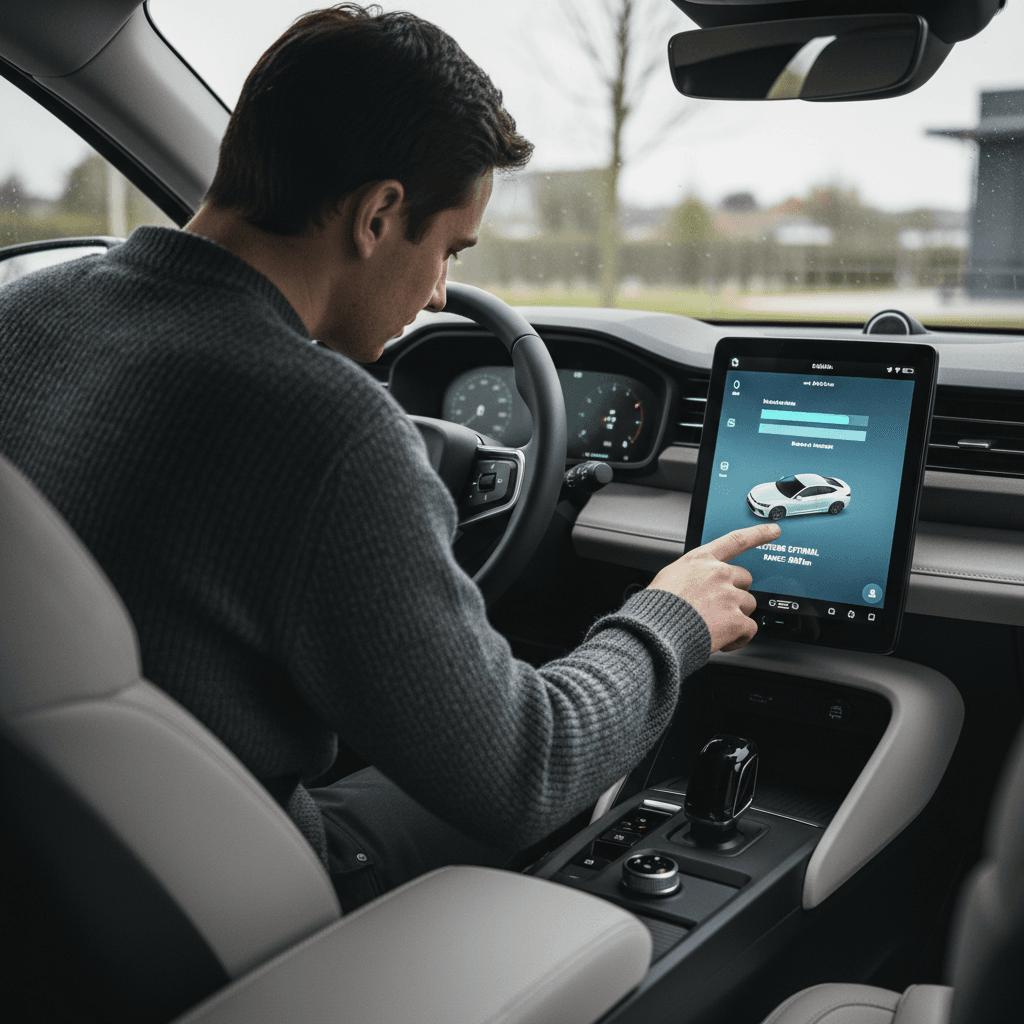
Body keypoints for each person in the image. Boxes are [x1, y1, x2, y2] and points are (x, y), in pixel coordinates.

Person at [0, 4, 778, 911]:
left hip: (52, 866)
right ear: (377, 215)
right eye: (448, 248)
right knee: (612, 763)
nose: (442, 291)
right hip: (222, 902)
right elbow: (526, 769)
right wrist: (670, 619)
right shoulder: (330, 428)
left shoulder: (25, 314)